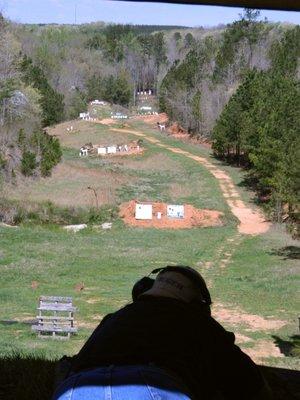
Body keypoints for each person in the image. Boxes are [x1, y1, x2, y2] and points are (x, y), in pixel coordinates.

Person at [52, 266, 271, 400]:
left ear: (144, 290)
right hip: (151, 386)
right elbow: (251, 387)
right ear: (199, 305)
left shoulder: (114, 318)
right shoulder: (199, 322)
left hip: (75, 390)